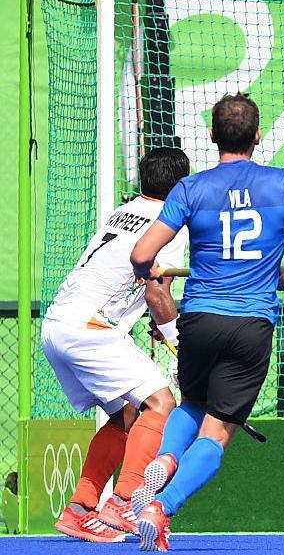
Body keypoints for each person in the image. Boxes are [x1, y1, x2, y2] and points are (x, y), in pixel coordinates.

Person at [129, 93, 284, 551]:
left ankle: (163, 460)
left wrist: (149, 274)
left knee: (191, 403)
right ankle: (163, 508)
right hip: (250, 324)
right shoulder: (283, 184)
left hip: (200, 318)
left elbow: (142, 253)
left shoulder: (191, 188)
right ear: (258, 137)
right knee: (218, 431)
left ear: (212, 135)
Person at [42, 147, 190, 542]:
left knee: (128, 415)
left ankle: (80, 509)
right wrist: (182, 347)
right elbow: (157, 293)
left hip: (57, 325)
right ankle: (123, 504)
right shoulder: (169, 223)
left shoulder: (123, 211)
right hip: (90, 329)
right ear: (180, 187)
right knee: (161, 403)